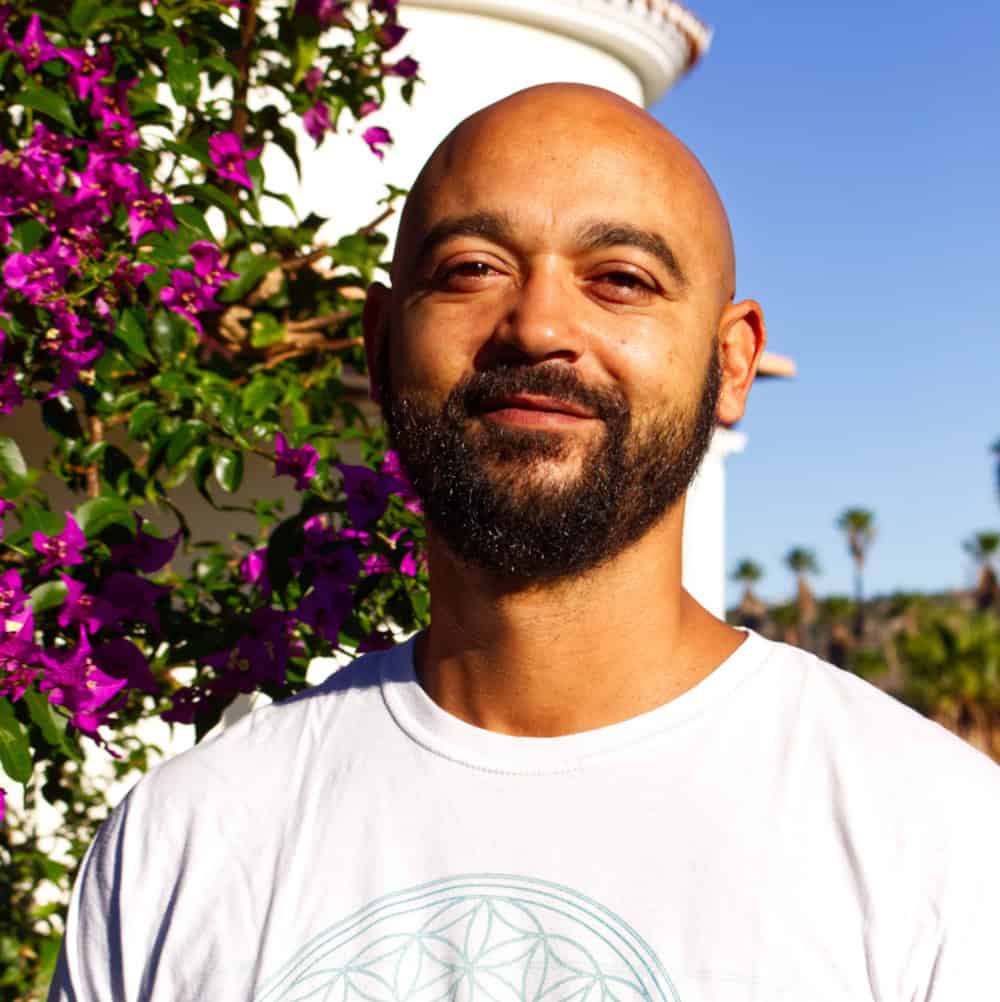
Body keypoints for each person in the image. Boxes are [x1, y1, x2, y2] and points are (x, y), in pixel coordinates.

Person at [50, 84, 1000, 1002]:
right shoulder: (181, 846)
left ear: (732, 362)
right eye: (471, 268)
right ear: (382, 347)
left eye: (621, 280)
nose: (539, 325)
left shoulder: (941, 844)